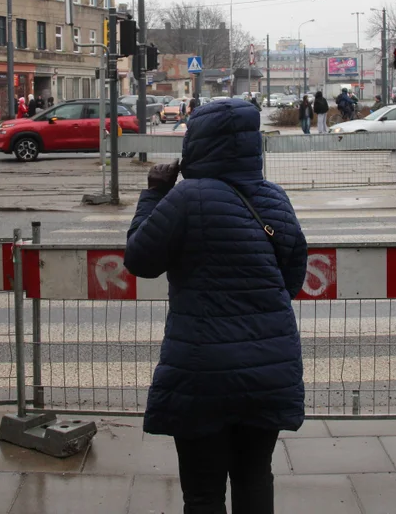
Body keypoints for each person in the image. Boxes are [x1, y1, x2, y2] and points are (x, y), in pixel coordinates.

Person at [124, 98, 307, 514]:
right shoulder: (275, 198)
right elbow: (290, 281)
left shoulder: (187, 198)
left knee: (204, 493)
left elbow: (139, 259)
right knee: (255, 476)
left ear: (200, 144)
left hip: (200, 373)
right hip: (268, 369)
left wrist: (153, 195)